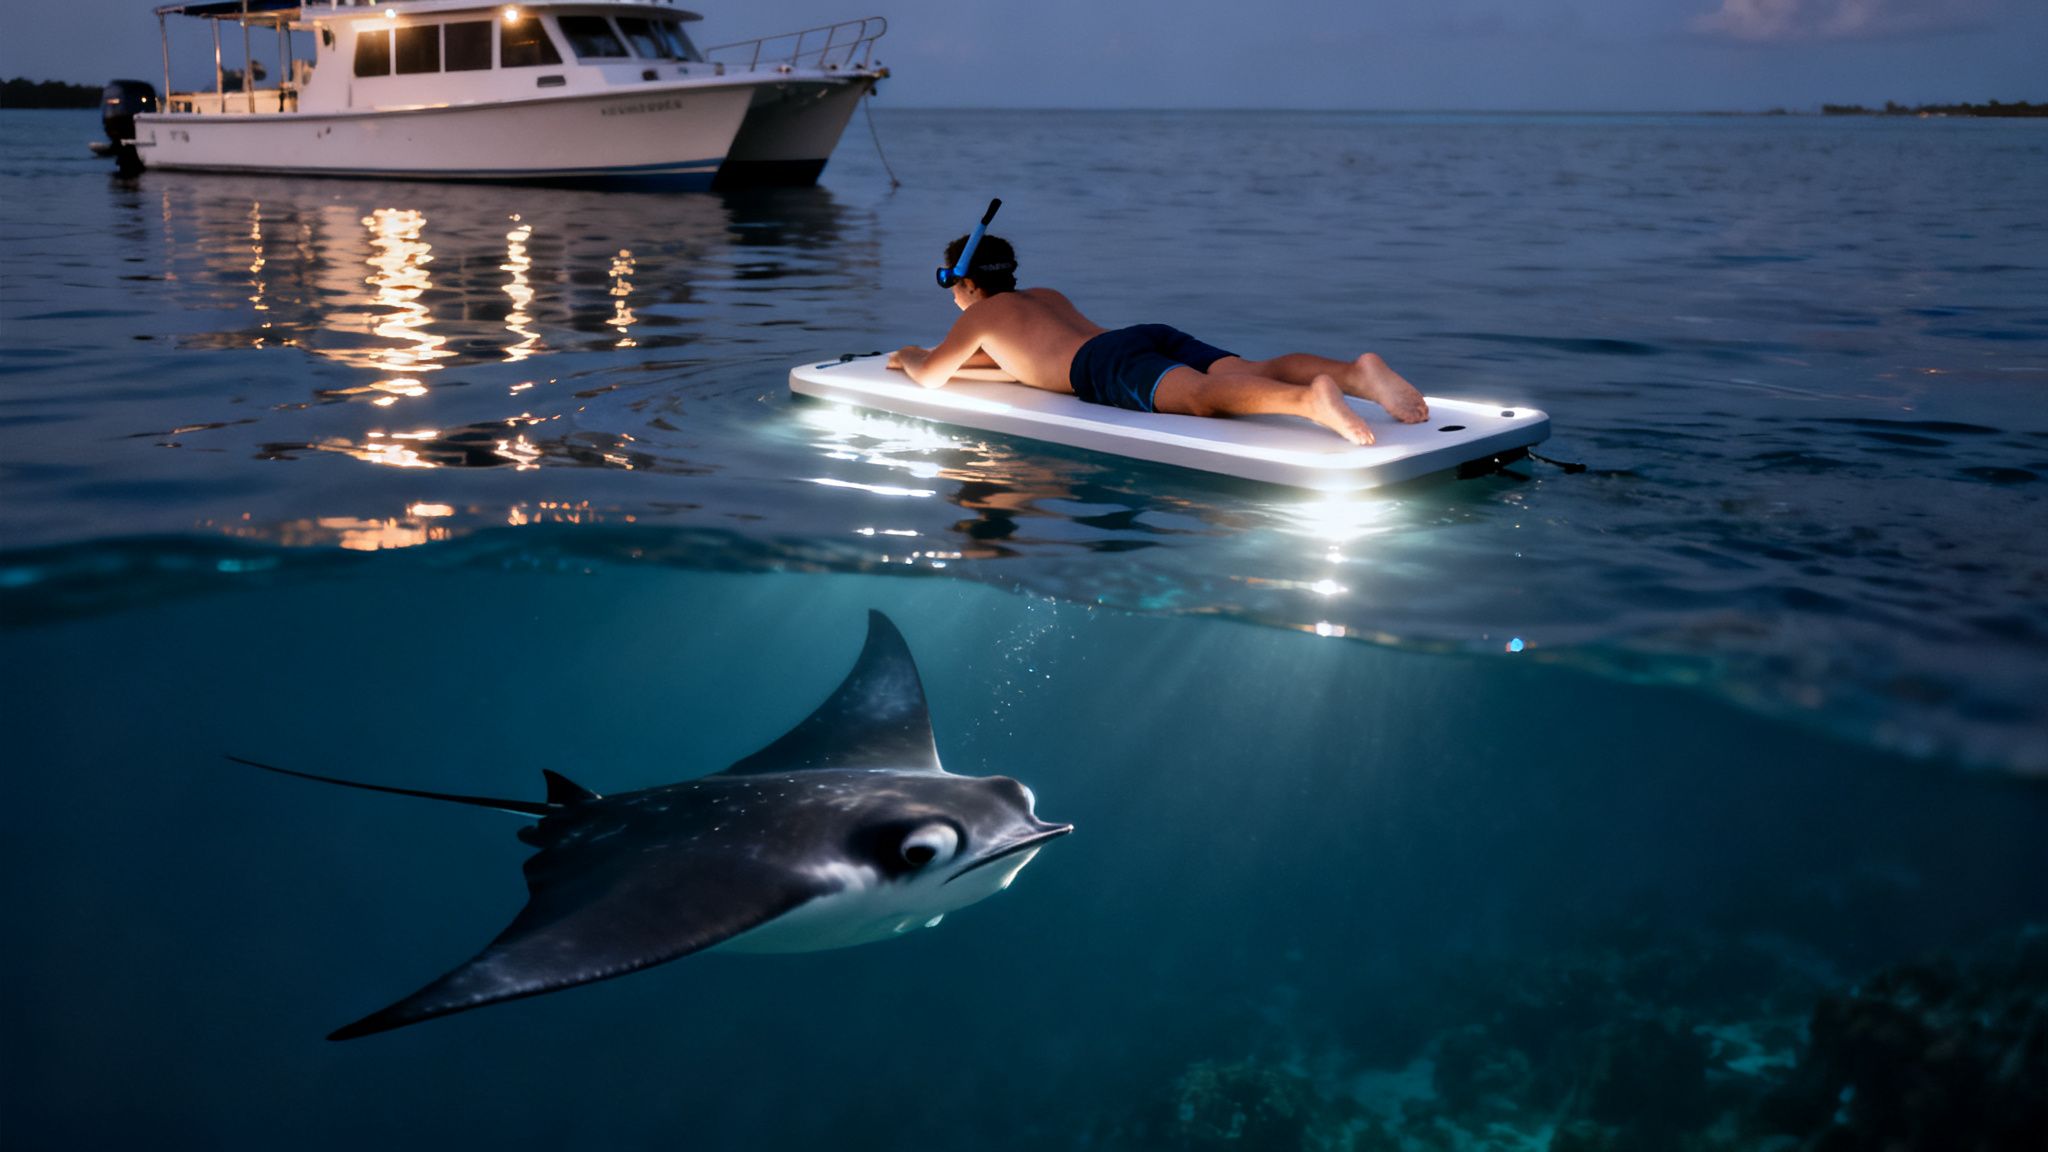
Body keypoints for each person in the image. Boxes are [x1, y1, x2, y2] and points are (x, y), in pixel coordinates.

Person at [888, 234, 1429, 446]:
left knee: (1199, 398)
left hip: (1101, 365)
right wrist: (973, 366)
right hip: (1139, 336)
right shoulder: (1041, 295)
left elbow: (933, 376)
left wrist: (912, 355)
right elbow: (1018, 367)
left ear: (965, 281)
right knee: (1250, 366)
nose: (951, 295)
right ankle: (1357, 374)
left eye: (948, 283)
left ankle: (1306, 402)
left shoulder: (979, 315)